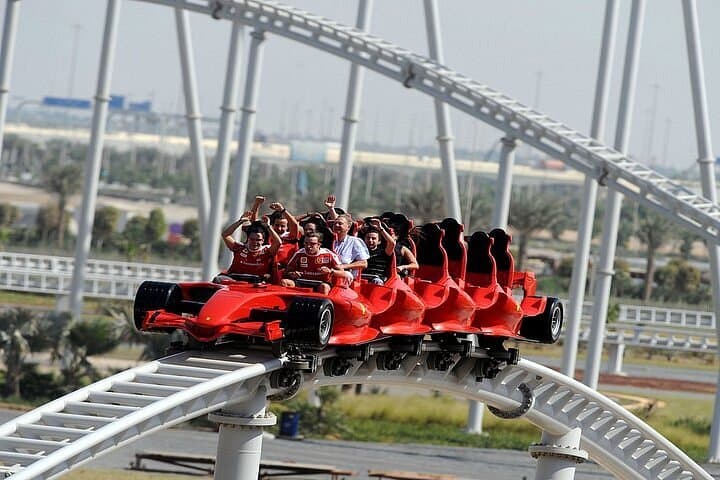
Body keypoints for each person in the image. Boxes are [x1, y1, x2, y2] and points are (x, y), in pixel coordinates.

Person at [281, 233, 351, 294]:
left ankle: (323, 307)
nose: (308, 246)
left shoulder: (328, 254)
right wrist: (292, 274)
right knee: (284, 282)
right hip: (301, 281)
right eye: (306, 243)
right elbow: (286, 272)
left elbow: (343, 273)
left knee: (324, 287)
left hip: (321, 283)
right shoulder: (299, 253)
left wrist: (331, 271)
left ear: (319, 244)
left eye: (312, 244)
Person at [221, 212, 281, 280]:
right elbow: (225, 235)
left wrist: (268, 226)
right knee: (218, 279)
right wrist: (240, 221)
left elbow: (278, 242)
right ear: (248, 239)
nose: (255, 242)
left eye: (258, 240)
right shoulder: (240, 247)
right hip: (234, 281)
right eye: (252, 239)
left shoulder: (267, 250)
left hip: (256, 285)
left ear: (263, 240)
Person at [332, 213, 369, 279]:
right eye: (335, 223)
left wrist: (343, 266)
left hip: (344, 276)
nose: (336, 225)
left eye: (340, 223)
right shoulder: (328, 239)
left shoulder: (354, 241)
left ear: (348, 227)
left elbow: (364, 263)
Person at [268, 201, 301, 269]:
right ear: (272, 225)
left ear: (287, 227)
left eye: (282, 226)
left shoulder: (291, 236)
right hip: (269, 270)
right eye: (277, 225)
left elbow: (294, 225)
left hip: (286, 271)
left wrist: (282, 210)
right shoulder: (268, 234)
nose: (279, 229)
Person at [362, 218, 395, 285]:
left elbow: (392, 243)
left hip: (377, 279)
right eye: (368, 238)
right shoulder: (360, 251)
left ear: (379, 241)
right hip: (361, 277)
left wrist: (380, 229)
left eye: (373, 239)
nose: (370, 241)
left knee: (377, 282)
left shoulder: (384, 252)